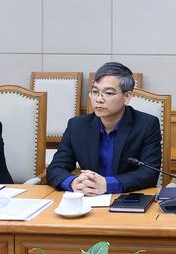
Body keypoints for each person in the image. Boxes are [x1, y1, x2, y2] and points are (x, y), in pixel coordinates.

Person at [47, 62, 162, 195]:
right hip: (88, 201)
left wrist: (108, 184)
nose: (98, 99)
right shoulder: (77, 126)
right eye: (95, 92)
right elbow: (55, 168)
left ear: (127, 97)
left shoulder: (146, 125)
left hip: (127, 199)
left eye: (108, 93)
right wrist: (74, 182)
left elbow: (149, 173)